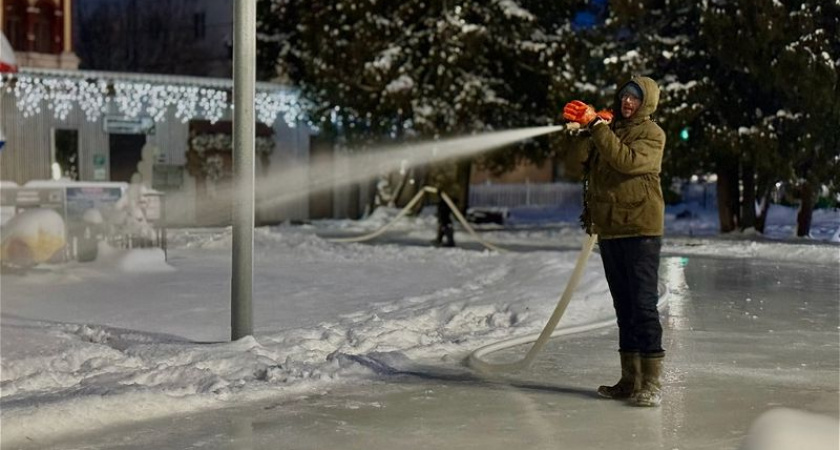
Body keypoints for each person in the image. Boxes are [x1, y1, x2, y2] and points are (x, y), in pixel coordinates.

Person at [563, 76, 666, 407]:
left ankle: (651, 382)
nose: (627, 102)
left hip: (641, 229)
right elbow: (576, 166)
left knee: (643, 307)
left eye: (635, 98)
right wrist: (583, 131)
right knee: (624, 307)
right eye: (624, 96)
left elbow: (626, 161)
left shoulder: (652, 134)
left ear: (646, 103)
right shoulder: (609, 130)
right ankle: (629, 379)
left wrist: (597, 126)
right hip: (611, 228)